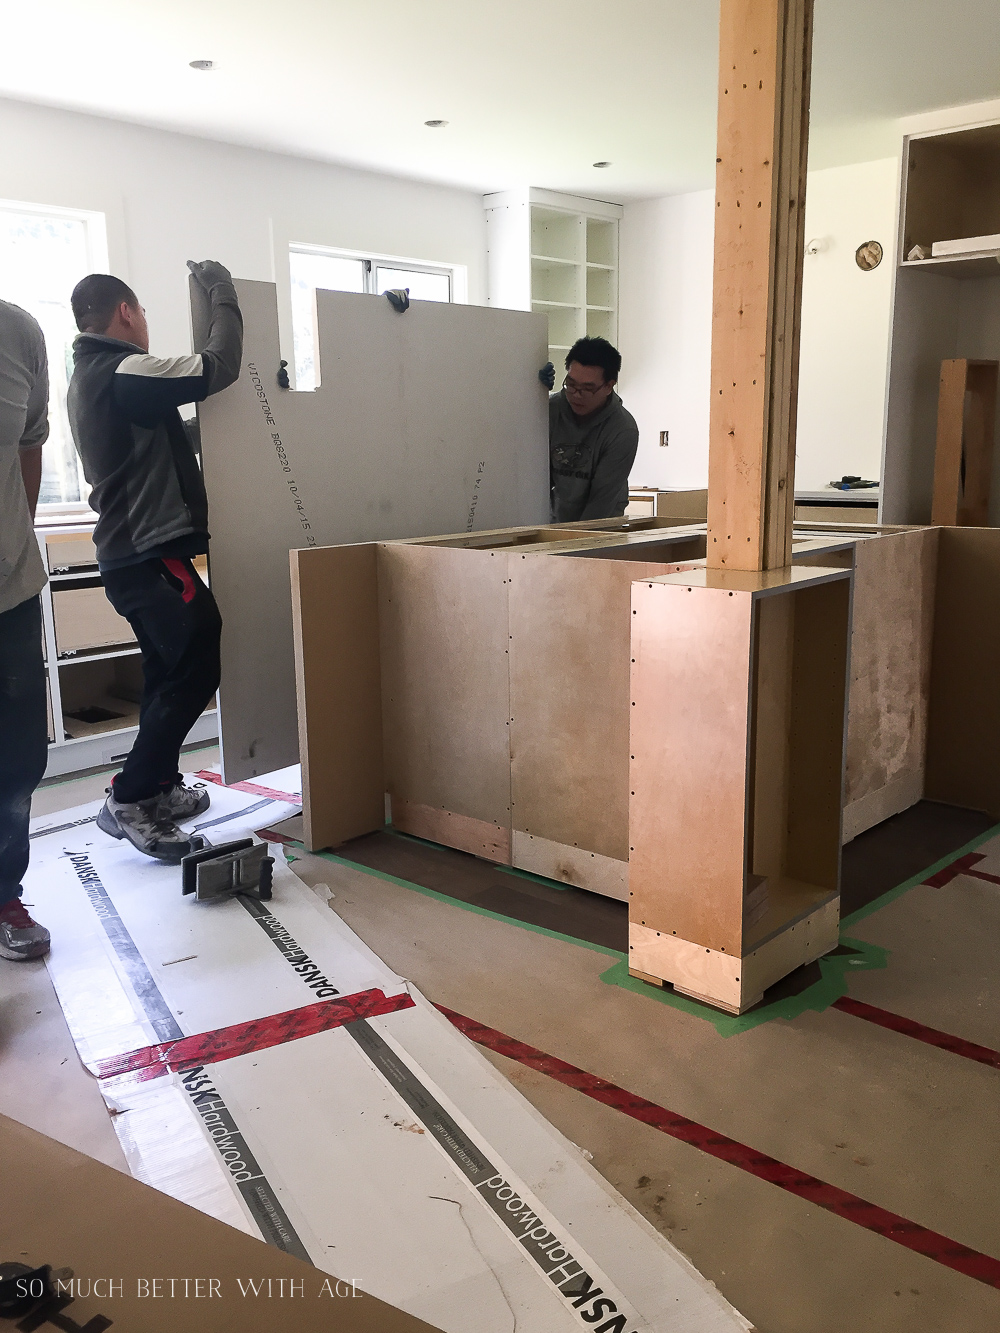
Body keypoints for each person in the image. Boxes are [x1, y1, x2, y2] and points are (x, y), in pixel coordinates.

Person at [67, 261, 243, 862]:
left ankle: (160, 785)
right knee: (198, 655)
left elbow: (158, 444)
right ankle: (133, 797)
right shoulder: (123, 369)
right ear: (126, 313)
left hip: (132, 556)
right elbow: (218, 367)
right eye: (142, 313)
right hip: (145, 556)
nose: (145, 324)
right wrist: (223, 294)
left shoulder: (93, 375)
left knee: (170, 671)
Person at [0, 298, 51, 960]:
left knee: (18, 759)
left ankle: (4, 889)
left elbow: (29, 445)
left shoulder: (17, 332)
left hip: (9, 594)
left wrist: (16, 544)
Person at [541, 336, 639, 523]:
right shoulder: (550, 411)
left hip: (602, 524)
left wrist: (574, 544)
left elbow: (601, 503)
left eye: (587, 389)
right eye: (571, 384)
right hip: (557, 519)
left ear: (609, 386)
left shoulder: (623, 430)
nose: (576, 395)